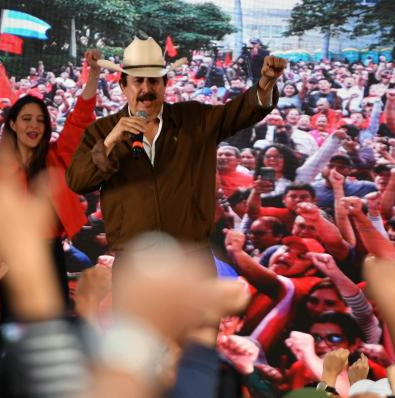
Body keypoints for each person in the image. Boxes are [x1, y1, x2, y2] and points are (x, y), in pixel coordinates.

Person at [67, 37, 285, 256]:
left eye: (153, 81)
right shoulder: (102, 130)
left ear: (165, 85)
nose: (146, 89)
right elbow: (78, 181)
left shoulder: (194, 118)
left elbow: (239, 112)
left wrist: (265, 83)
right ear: (123, 85)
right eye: (137, 81)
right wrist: (110, 141)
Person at [0, 49, 101, 312]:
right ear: (12, 125)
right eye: (27, 119)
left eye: (40, 120)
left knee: (50, 328)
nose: (34, 125)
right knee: (14, 333)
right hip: (8, 258)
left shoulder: (55, 156)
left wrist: (94, 75)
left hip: (49, 253)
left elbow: (79, 121)